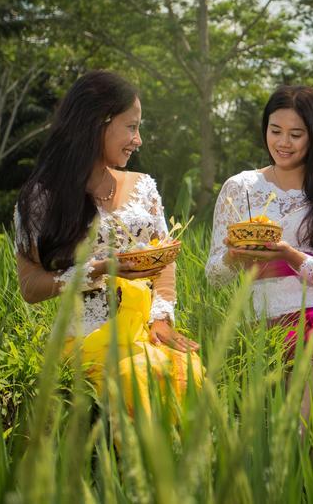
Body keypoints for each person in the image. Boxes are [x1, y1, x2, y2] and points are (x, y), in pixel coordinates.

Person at [14, 70, 201, 415]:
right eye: (131, 127)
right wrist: (98, 269)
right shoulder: (41, 199)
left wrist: (162, 319)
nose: (139, 139)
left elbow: (164, 260)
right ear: (96, 123)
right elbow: (30, 286)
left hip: (144, 331)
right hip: (86, 336)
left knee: (185, 372)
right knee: (135, 376)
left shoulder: (144, 185)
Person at [205, 85, 313, 421]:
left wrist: (289, 256)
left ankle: (297, 444)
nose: (283, 143)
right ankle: (298, 451)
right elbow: (214, 276)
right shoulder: (240, 188)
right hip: (264, 308)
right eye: (275, 131)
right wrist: (234, 257)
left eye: (295, 134)